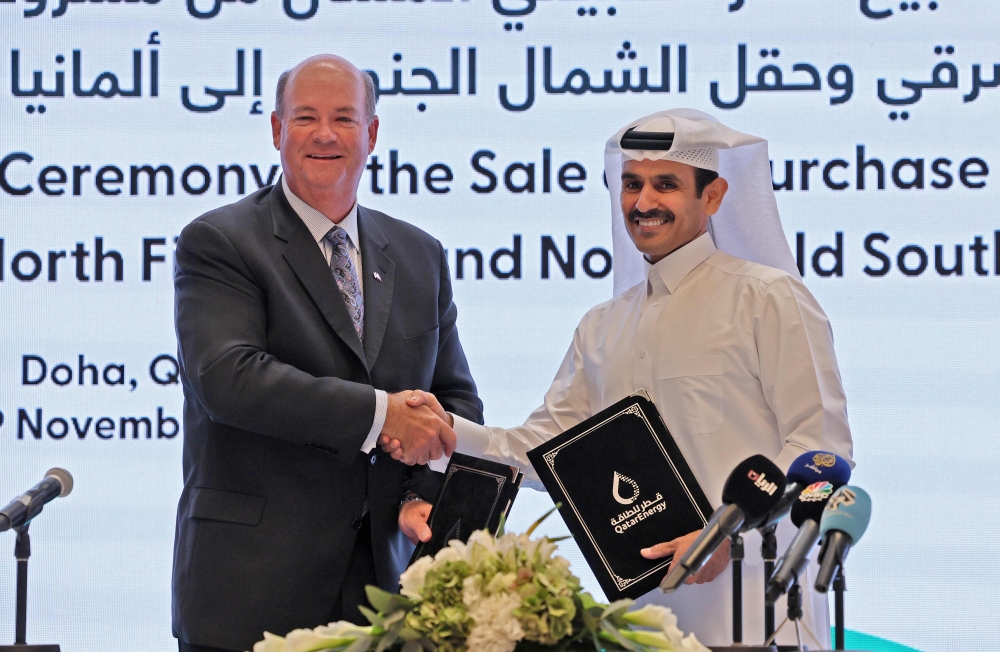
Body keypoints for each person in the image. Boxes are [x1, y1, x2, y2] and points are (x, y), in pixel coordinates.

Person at [388, 109, 854, 647]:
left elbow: (819, 447)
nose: (644, 202)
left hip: (759, 611)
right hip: (644, 626)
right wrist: (447, 432)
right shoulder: (602, 326)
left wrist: (727, 536)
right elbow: (545, 449)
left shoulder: (768, 298)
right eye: (632, 184)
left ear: (714, 196)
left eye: (666, 185)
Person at [171, 54, 482, 652]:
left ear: (370, 135)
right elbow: (228, 377)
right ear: (275, 131)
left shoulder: (421, 254)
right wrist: (380, 415)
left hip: (387, 592)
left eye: (343, 118)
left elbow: (455, 398)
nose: (323, 134)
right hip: (250, 591)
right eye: (305, 117)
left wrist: (423, 491)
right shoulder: (220, 241)